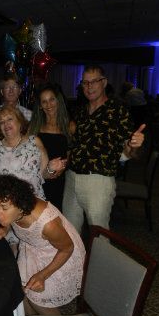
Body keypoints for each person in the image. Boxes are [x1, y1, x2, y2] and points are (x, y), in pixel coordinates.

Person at [62, 64, 145, 233]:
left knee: (98, 237)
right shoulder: (80, 112)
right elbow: (74, 145)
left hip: (99, 181)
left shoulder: (118, 111)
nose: (89, 86)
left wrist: (133, 145)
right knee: (69, 235)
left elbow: (129, 153)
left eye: (94, 81)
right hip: (71, 179)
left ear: (104, 82)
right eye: (85, 82)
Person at [0, 175, 86, 315]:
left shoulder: (47, 224)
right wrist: (5, 228)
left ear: (21, 207)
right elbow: (12, 219)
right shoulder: (16, 210)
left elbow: (67, 248)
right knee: (21, 292)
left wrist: (43, 275)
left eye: (3, 208)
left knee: (36, 298)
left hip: (60, 254)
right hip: (35, 249)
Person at [0, 105, 65, 220]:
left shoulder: (34, 141)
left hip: (34, 205)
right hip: (7, 208)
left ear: (20, 122)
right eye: (2, 122)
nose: (6, 124)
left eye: (10, 119)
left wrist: (51, 167)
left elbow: (44, 174)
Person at [29, 83, 75, 210]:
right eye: (44, 102)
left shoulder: (69, 126)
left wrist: (62, 166)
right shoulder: (34, 127)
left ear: (58, 101)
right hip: (39, 179)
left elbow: (71, 154)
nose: (49, 105)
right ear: (40, 106)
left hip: (60, 180)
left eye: (51, 100)